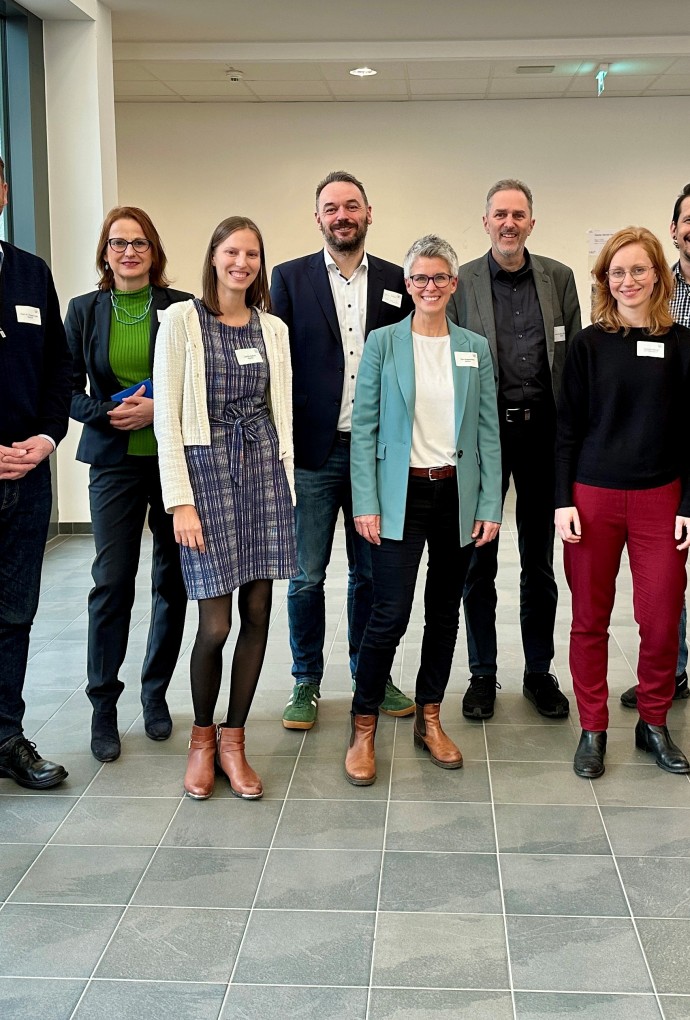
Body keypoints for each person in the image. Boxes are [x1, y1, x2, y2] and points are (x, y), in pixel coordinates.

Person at [345, 235, 502, 786]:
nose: (429, 287)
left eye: (439, 278)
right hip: (398, 496)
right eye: (419, 278)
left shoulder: (474, 348)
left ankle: (430, 718)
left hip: (456, 495)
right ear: (407, 285)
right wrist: (365, 500)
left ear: (453, 285)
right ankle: (363, 725)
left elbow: (487, 432)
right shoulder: (384, 343)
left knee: (444, 611)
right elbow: (363, 429)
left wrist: (490, 505)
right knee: (388, 612)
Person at [154, 216, 296, 800]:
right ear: (213, 256)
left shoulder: (274, 329)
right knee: (215, 623)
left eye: (252, 254)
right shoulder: (181, 321)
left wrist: (286, 481)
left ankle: (235, 741)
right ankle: (202, 739)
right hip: (205, 474)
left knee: (259, 615)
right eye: (232, 251)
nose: (242, 262)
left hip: (262, 471)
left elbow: (279, 410)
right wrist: (179, 502)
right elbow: (167, 417)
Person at [270, 170, 415, 731]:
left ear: (368, 212)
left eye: (351, 206)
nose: (342, 216)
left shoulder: (397, 280)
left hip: (374, 453)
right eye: (331, 208)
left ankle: (368, 673)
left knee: (370, 575)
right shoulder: (288, 278)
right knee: (306, 575)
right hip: (311, 451)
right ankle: (306, 680)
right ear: (318, 219)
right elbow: (277, 364)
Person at [555, 226, 690, 779]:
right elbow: (566, 429)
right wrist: (562, 500)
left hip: (663, 498)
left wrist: (689, 504)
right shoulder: (588, 345)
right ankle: (593, 727)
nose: (628, 280)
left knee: (660, 621)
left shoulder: (683, 344)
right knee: (590, 618)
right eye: (617, 272)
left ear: (657, 274)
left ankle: (653, 722)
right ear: (604, 279)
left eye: (638, 269)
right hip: (593, 497)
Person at [446, 178, 581, 722]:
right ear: (485, 222)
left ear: (531, 221)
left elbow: (571, 368)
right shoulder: (464, 283)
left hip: (543, 437)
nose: (509, 222)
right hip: (485, 437)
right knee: (479, 559)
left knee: (538, 562)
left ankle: (538, 671)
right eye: (499, 214)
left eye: (518, 214)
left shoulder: (559, 278)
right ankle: (482, 675)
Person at [66, 207, 191, 763]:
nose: (129, 251)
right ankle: (103, 705)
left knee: (173, 580)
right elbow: (63, 387)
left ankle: (155, 692)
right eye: (119, 243)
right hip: (114, 460)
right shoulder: (84, 310)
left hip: (172, 462)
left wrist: (156, 412)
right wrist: (107, 413)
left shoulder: (181, 308)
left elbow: (198, 381)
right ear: (105, 252)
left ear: (154, 250)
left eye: (139, 242)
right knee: (112, 582)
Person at [0, 154, 72, 789]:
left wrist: (48, 437)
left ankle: (5, 735)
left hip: (27, 478)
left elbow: (58, 370)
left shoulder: (29, 273)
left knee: (15, 613)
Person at [620, 183, 690, 709]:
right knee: (669, 586)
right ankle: (672, 676)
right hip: (671, 456)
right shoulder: (668, 304)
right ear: (675, 230)